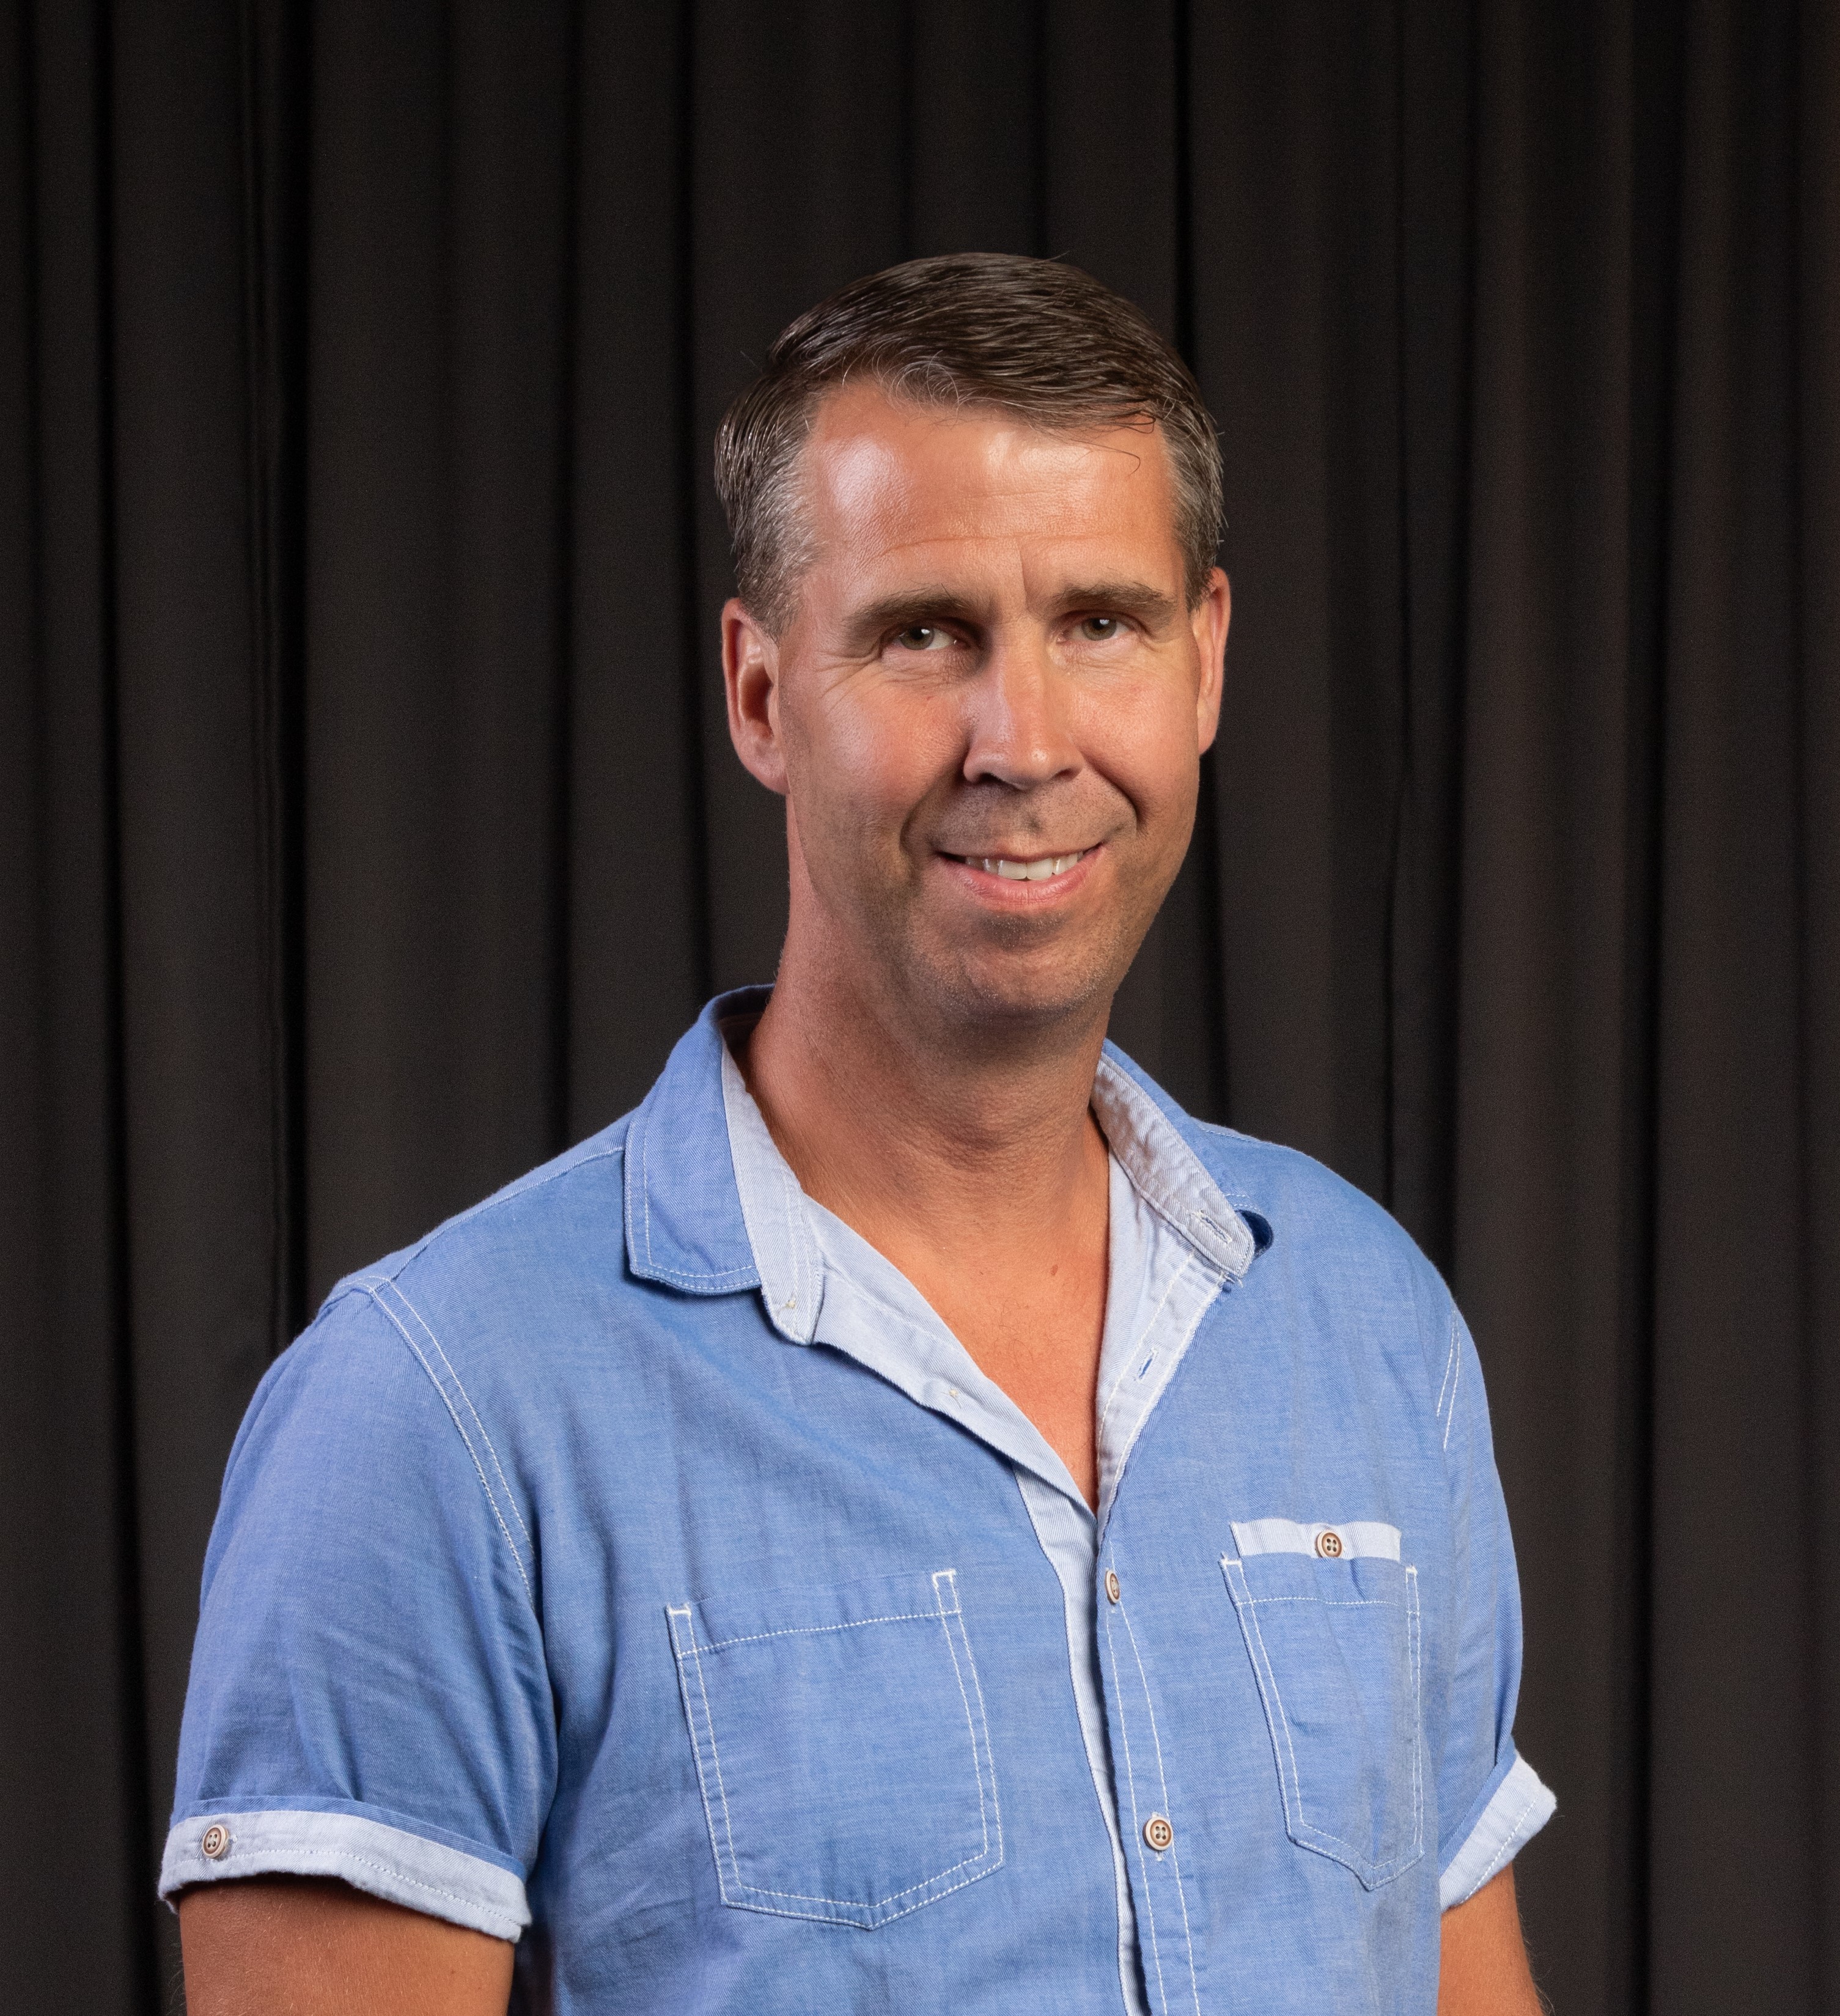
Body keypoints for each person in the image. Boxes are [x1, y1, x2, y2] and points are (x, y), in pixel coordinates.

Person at [166, 253, 1554, 2015]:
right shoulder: (434, 1411)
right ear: (760, 694)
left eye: (1100, 624)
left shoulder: (1366, 1321)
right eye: (924, 634)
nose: (1023, 742)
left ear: (1204, 662)